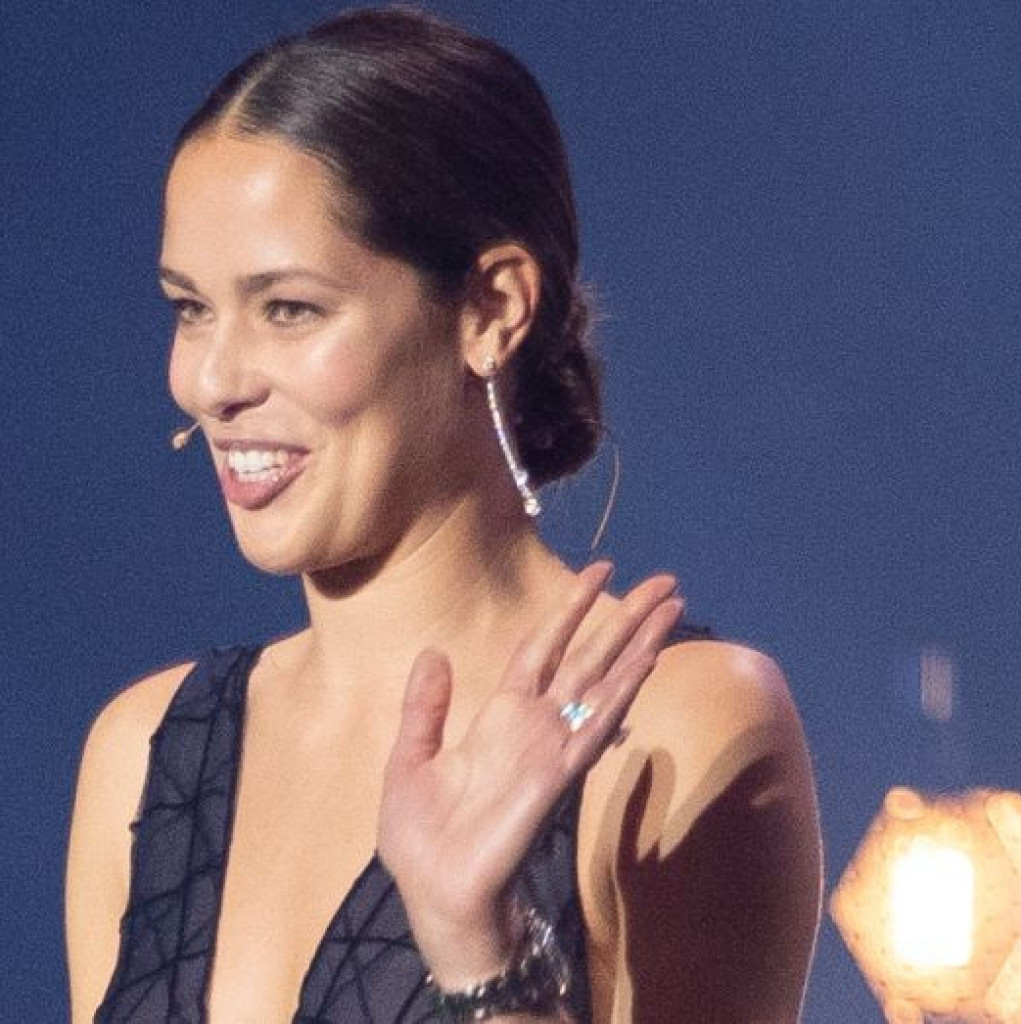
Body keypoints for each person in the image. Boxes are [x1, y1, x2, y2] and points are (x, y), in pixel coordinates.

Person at [64, 8, 823, 1023]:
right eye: (191, 308)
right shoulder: (145, 750)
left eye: (288, 309)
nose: (212, 381)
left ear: (490, 309)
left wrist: (479, 948)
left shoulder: (676, 724)